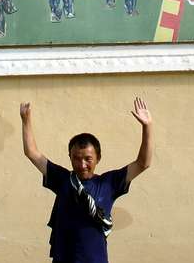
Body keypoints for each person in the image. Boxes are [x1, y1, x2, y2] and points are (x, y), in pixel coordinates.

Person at [20, 97, 153, 263]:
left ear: (98, 158)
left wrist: (147, 126)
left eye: (88, 159)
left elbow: (143, 163)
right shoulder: (62, 179)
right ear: (70, 157)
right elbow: (32, 153)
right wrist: (26, 120)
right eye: (76, 158)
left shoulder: (108, 183)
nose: (82, 165)